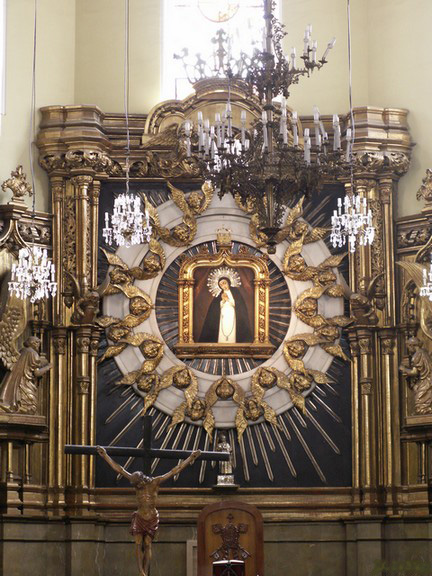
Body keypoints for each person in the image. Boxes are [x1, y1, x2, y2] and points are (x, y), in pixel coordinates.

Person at [96, 446, 201, 576]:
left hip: (151, 516)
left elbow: (175, 470)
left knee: (147, 544)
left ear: (142, 479)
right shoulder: (136, 482)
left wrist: (191, 458)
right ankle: (141, 571)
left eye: (137, 484)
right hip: (140, 516)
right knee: (137, 543)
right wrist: (105, 455)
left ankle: (145, 571)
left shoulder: (156, 482)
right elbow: (119, 469)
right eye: (135, 485)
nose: (136, 486)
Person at [0, 336, 52, 414]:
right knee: (31, 407)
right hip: (24, 383)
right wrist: (48, 367)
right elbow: (37, 373)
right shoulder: (33, 353)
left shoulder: (22, 351)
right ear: (33, 343)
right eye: (37, 343)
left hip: (16, 381)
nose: (38, 345)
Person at [199, 277, 252, 343]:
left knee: (231, 329)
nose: (223, 286)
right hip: (223, 315)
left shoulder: (235, 291)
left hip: (232, 314)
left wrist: (228, 299)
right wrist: (223, 301)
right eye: (221, 285)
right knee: (224, 328)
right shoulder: (220, 294)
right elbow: (215, 308)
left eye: (224, 283)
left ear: (228, 282)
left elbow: (239, 304)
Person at [399, 336, 432, 415]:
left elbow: (414, 372)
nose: (409, 350)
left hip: (426, 382)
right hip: (427, 381)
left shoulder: (417, 355)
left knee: (420, 405)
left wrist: (403, 369)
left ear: (412, 345)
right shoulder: (424, 352)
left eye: (409, 347)